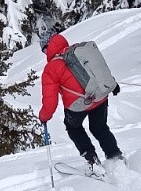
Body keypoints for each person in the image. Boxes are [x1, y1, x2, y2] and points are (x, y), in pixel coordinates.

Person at [38, 31, 123, 171]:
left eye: (44, 50)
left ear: (47, 47)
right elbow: (99, 68)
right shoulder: (79, 51)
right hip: (99, 96)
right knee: (100, 128)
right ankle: (115, 157)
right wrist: (112, 84)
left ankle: (92, 162)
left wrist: (44, 116)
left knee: (73, 127)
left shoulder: (51, 68)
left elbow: (50, 101)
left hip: (79, 104)